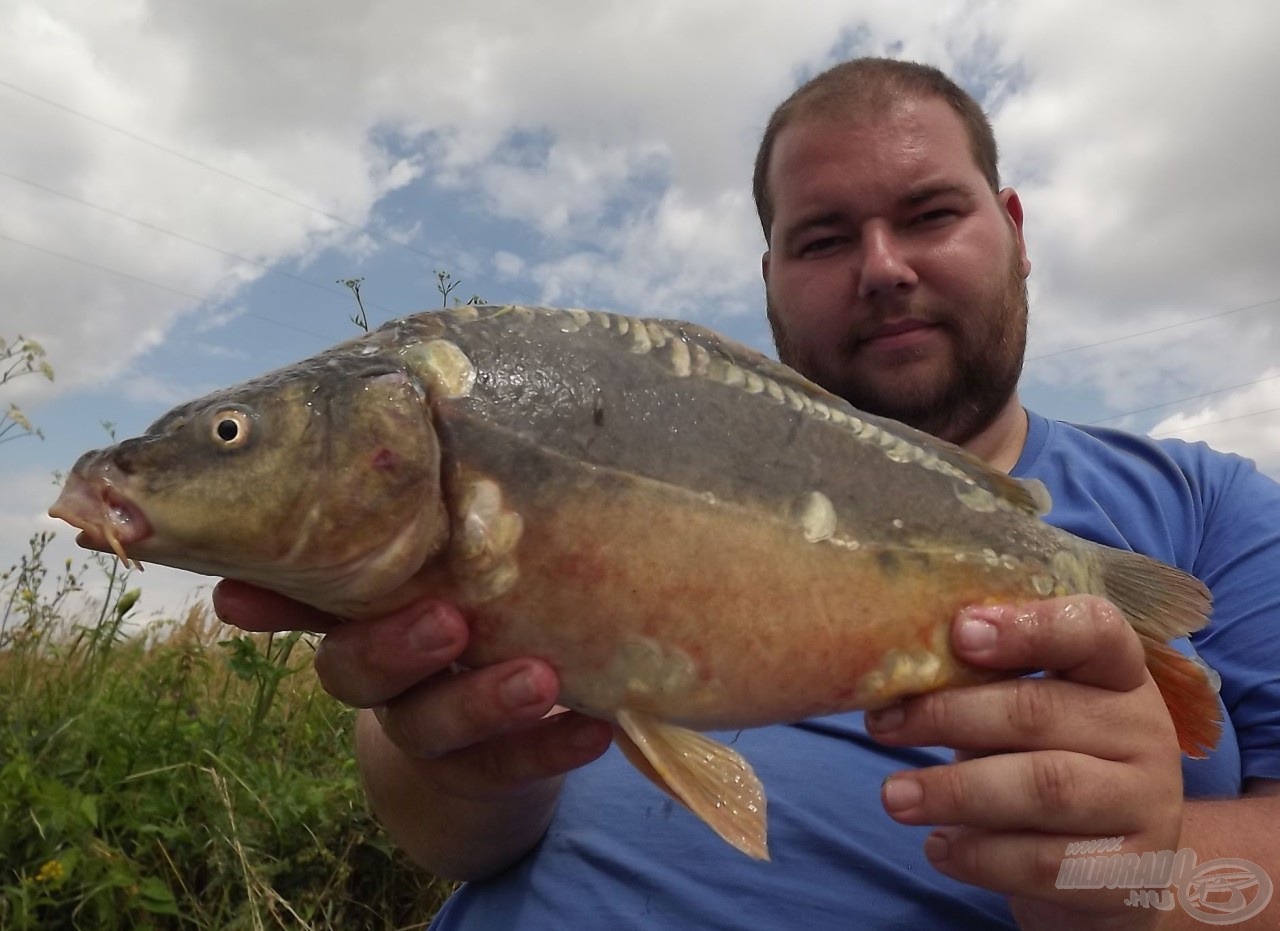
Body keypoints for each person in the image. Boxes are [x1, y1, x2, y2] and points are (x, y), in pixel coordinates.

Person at [214, 58, 1280, 929]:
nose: (881, 266)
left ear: (1011, 227)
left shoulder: (1202, 505)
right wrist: (461, 767)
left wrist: (1135, 883)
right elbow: (450, 837)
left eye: (928, 213)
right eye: (821, 237)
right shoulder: (572, 455)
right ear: (765, 273)